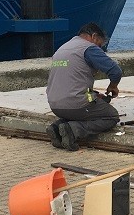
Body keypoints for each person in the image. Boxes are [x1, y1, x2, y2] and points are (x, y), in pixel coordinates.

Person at [46, 23, 122, 151]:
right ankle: (74, 130)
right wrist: (113, 86)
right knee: (111, 116)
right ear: (94, 36)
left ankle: (57, 127)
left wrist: (94, 95)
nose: (100, 48)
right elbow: (116, 71)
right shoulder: (89, 48)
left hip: (54, 105)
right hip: (75, 105)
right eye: (99, 44)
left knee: (79, 108)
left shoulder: (63, 48)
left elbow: (72, 83)